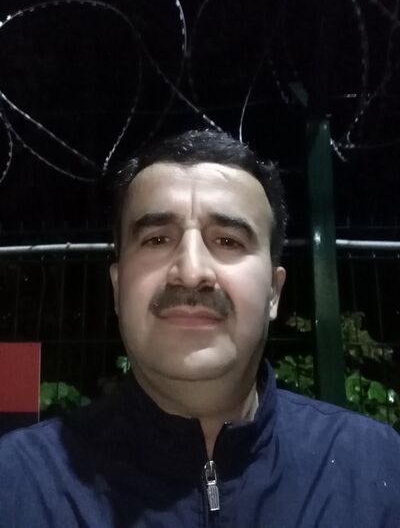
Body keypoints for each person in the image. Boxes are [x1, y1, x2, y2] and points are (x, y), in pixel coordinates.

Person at [0, 129, 399, 527]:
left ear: (273, 293)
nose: (191, 272)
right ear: (118, 289)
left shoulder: (378, 470)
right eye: (157, 239)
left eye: (227, 241)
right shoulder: (18, 485)